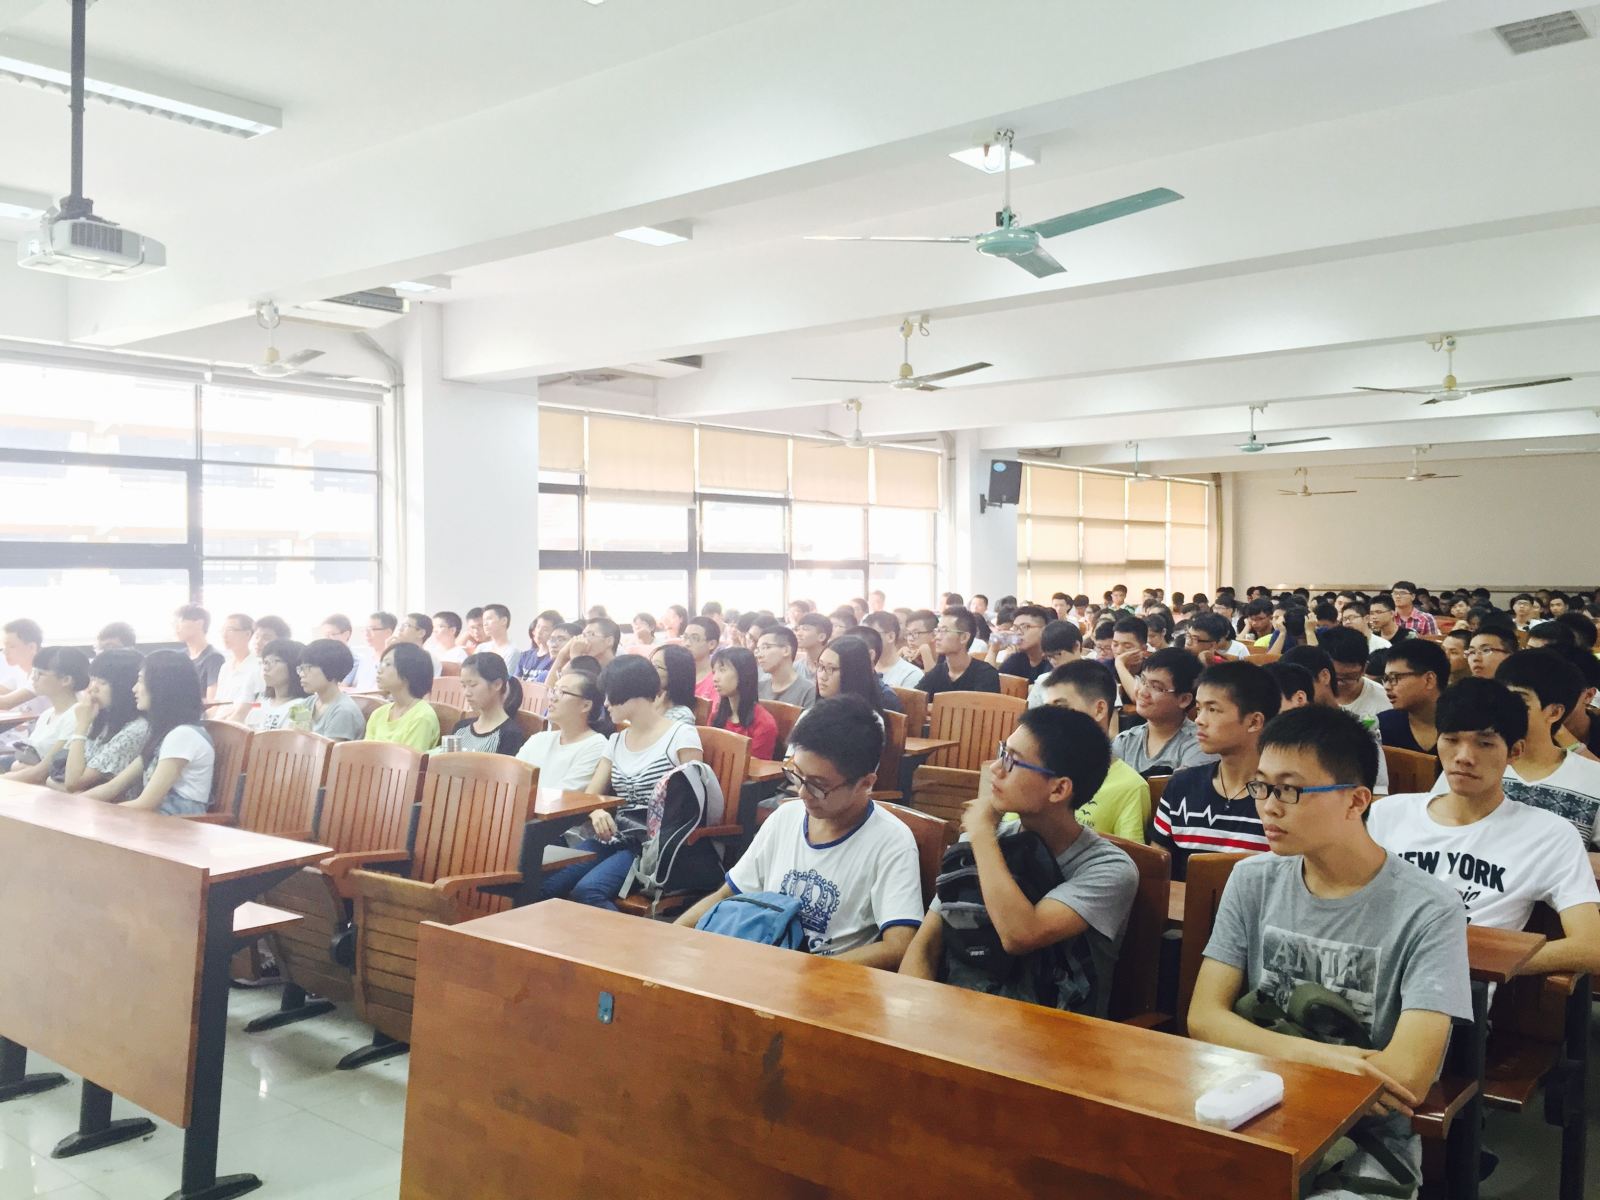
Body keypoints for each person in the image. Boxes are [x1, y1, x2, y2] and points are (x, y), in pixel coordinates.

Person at [1186, 705, 1470, 1199]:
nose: (1268, 807)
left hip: (1365, 1141)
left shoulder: (1429, 908)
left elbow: (1407, 1076)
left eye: (1290, 790)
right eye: (1261, 786)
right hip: (1250, 1110)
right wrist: (1329, 1060)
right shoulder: (1252, 880)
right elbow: (1204, 1018)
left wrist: (1262, 1045)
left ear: (1356, 800)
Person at [899, 704, 1138, 1014]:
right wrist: (916, 1015)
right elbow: (926, 946)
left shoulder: (1110, 869)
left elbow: (1020, 934)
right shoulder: (984, 838)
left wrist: (982, 833)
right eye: (1003, 752)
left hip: (1052, 1032)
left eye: (1013, 760)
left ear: (1059, 789)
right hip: (956, 1018)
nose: (996, 769)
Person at [1369, 678, 1600, 977]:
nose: (1464, 757)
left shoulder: (1549, 835)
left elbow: (1591, 946)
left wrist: (1467, 959)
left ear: (1515, 752)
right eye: (1451, 740)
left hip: (1452, 991)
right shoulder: (1388, 813)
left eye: (1485, 743)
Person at [676, 696, 922, 965]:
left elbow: (899, 945)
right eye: (797, 775)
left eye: (818, 785)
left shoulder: (891, 842)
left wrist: (806, 973)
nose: (803, 793)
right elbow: (727, 894)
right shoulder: (785, 818)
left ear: (865, 783)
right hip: (757, 966)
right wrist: (672, 935)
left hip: (827, 979)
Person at [546, 656, 704, 909]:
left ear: (633, 694)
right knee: (547, 884)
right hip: (616, 836)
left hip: (654, 844)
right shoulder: (617, 741)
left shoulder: (681, 735)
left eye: (611, 695)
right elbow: (591, 796)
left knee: (588, 891)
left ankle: (628, 937)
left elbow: (696, 804)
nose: (606, 703)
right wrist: (597, 811)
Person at [1152, 661, 1281, 879]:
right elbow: (1158, 874)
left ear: (1254, 721)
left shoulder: (1283, 799)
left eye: (1212, 710)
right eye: (1199, 709)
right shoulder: (1182, 786)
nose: (1199, 720)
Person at [1472, 650, 1600, 846]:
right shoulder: (1470, 761)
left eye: (1519, 701)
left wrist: (1574, 858)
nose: (1504, 709)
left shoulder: (1593, 779)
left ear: (1555, 712)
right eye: (1501, 698)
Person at [84, 650, 217, 816]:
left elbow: (146, 803)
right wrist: (74, 803)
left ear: (162, 686)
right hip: (156, 821)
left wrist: (98, 814)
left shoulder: (183, 736)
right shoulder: (164, 734)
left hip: (177, 825)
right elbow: (113, 786)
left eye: (140, 681)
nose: (134, 689)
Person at [1038, 661, 1152, 843]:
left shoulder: (1130, 787)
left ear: (1099, 709)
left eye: (1061, 708)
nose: (1050, 719)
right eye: (1047, 709)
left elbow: (1129, 856)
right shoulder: (1036, 769)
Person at [56, 649, 147, 798]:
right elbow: (58, 772)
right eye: (92, 680)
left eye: (102, 683)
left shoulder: (137, 729)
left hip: (112, 808)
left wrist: (81, 726)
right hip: (84, 803)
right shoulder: (101, 717)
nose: (93, 688)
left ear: (124, 686)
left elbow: (73, 782)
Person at [1110, 648, 1214, 777]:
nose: (1142, 692)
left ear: (1184, 699)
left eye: (1156, 687)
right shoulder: (1125, 741)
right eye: (1142, 681)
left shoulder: (1199, 745)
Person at [5, 647, 90, 781]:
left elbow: (42, 772)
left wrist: (5, 778)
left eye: (40, 674)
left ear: (66, 680)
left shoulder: (76, 716)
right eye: (33, 672)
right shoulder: (47, 714)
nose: (33, 679)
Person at [1376, 639, 1450, 757]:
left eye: (1395, 678)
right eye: (1386, 679)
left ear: (1429, 680)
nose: (1387, 687)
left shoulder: (1465, 726)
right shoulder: (1383, 726)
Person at [445, 653, 527, 755]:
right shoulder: (460, 728)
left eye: (472, 685)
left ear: (497, 684)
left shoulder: (510, 735)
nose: (466, 693)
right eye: (463, 686)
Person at [365, 642, 441, 752]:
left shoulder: (422, 717)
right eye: (381, 664)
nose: (379, 670)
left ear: (408, 671)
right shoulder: (378, 714)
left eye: (387, 664)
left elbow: (410, 761)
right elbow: (365, 755)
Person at [709, 647, 778, 759]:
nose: (715, 678)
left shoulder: (764, 723)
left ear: (743, 674)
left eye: (722, 670)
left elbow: (755, 766)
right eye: (714, 672)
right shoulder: (716, 717)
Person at [917, 608, 1001, 698]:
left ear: (964, 637)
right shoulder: (937, 672)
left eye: (944, 631)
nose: (937, 637)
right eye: (938, 630)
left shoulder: (986, 674)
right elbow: (916, 699)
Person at [294, 639, 367, 742]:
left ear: (330, 668)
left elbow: (328, 750)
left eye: (308, 668)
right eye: (301, 669)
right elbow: (293, 740)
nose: (301, 674)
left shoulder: (343, 711)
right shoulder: (304, 704)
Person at [1321, 627, 1391, 719]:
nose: (1339, 684)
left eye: (1348, 677)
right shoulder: (1310, 695)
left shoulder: (1385, 700)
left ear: (1364, 669)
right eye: (1334, 677)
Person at [246, 640, 309, 731]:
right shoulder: (262, 700)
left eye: (274, 661)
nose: (266, 668)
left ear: (294, 666)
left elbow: (296, 738)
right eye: (265, 662)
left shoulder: (302, 707)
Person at [213, 613, 263, 722]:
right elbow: (218, 703)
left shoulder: (258, 667)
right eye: (222, 630)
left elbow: (258, 705)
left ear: (247, 634)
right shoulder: (225, 667)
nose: (224, 635)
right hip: (218, 723)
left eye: (230, 630)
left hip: (240, 725)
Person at [1025, 621, 1087, 708]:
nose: (1053, 661)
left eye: (1057, 654)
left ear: (1076, 646)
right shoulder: (1043, 681)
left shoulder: (1095, 677)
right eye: (1049, 657)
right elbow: (1031, 714)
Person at [754, 626, 816, 708]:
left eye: (766, 647)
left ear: (786, 650)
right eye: (758, 649)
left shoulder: (808, 691)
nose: (759, 655)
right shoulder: (758, 688)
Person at [860, 611, 921, 691]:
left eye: (871, 635)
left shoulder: (911, 674)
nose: (865, 640)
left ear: (891, 637)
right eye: (863, 635)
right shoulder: (860, 669)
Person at [173, 605, 225, 694]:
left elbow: (212, 699)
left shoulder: (214, 658)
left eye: (179, 622)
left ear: (199, 624)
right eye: (173, 623)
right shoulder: (178, 657)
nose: (175, 628)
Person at [998, 604, 1055, 683]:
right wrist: (993, 651)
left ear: (1044, 630)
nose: (1018, 633)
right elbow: (991, 684)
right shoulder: (1016, 659)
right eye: (1015, 628)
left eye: (1025, 627)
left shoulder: (1054, 660)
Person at [320, 613, 377, 690]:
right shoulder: (322, 658)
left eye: (331, 634)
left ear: (346, 634)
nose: (327, 639)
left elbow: (341, 687)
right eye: (325, 635)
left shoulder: (354, 660)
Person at [651, 643, 700, 723]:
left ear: (675, 674)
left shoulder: (682, 715)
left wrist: (653, 715)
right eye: (650, 664)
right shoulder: (646, 701)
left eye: (656, 666)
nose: (648, 669)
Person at [477, 603, 521, 672]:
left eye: (489, 619)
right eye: (484, 620)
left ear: (504, 621)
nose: (485, 624)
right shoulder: (481, 648)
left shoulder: (512, 652)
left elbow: (506, 677)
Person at [899, 609, 938, 674]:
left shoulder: (947, 659)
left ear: (934, 634)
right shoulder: (909, 658)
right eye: (908, 633)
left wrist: (925, 651)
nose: (910, 639)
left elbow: (933, 679)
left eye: (915, 633)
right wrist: (899, 654)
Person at [794, 612, 833, 677]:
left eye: (805, 629)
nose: (798, 633)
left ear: (821, 637)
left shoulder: (833, 668)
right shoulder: (795, 668)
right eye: (797, 629)